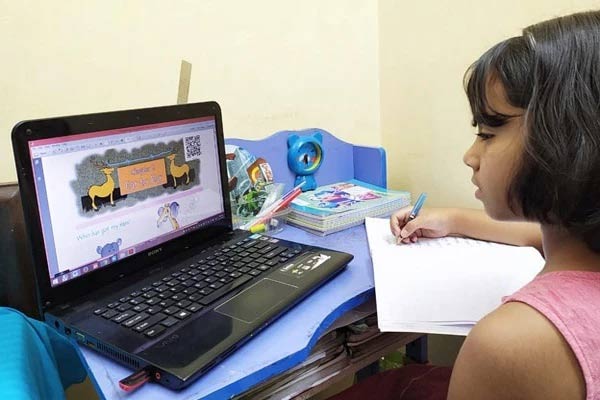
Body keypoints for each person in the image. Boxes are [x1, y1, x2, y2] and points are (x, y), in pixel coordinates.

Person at [332, 10, 600, 400]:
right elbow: (536, 234)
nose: (470, 155)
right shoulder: (582, 246)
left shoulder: (515, 343)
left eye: (488, 133)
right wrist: (454, 219)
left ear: (568, 140)